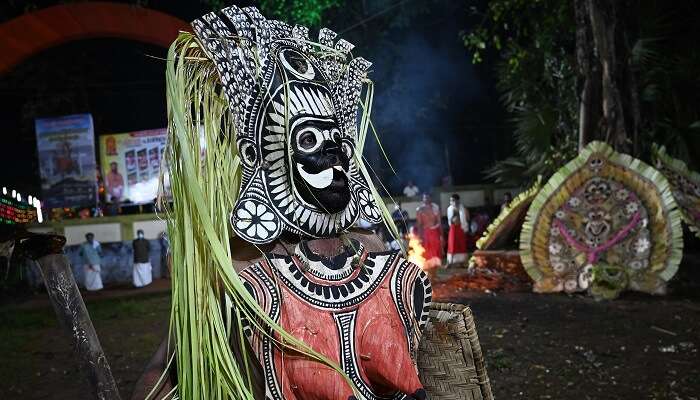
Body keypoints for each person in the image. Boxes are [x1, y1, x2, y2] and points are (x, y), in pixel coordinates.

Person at [414, 193, 443, 269]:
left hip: (434, 231)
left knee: (436, 247)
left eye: (428, 197)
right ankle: (428, 264)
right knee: (427, 248)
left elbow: (439, 222)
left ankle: (436, 264)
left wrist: (441, 234)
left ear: (430, 199)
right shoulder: (420, 209)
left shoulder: (435, 208)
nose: (426, 199)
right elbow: (419, 224)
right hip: (425, 232)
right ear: (423, 199)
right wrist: (420, 236)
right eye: (425, 198)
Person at [446, 194, 469, 265]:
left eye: (453, 200)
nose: (452, 202)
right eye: (451, 200)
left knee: (461, 244)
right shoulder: (449, 209)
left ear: (457, 200)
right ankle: (449, 262)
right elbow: (449, 220)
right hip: (453, 228)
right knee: (452, 244)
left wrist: (463, 221)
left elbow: (467, 217)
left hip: (461, 228)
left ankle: (461, 262)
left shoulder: (463, 208)